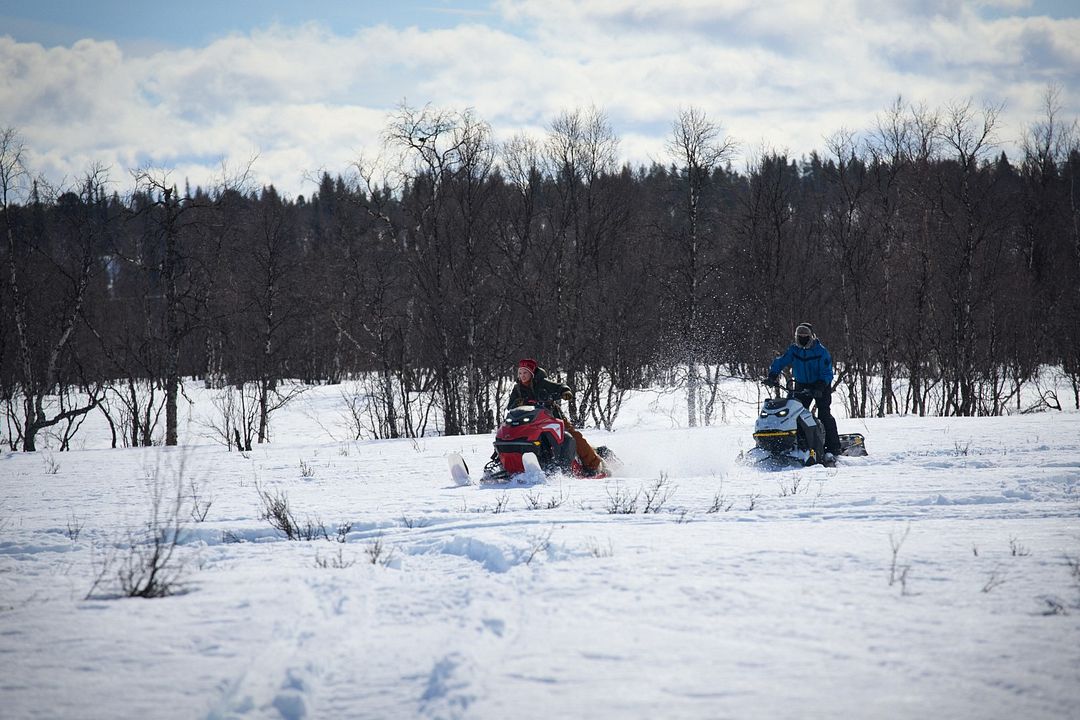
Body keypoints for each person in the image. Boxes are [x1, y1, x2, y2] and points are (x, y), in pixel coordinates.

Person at [508, 358, 607, 475]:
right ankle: (508, 464)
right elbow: (510, 406)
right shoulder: (517, 388)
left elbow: (560, 387)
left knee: (574, 437)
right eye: (520, 373)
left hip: (553, 418)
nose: (522, 376)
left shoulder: (543, 383)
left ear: (532, 373)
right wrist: (517, 403)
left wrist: (565, 392)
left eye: (525, 373)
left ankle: (594, 465)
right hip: (529, 422)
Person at [767, 323, 842, 459]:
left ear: (811, 337)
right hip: (801, 384)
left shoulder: (821, 352)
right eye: (799, 336)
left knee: (824, 413)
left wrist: (820, 386)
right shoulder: (794, 350)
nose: (802, 339)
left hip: (820, 384)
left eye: (805, 336)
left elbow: (827, 372)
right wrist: (772, 375)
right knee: (794, 413)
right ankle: (798, 444)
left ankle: (834, 447)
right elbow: (782, 361)